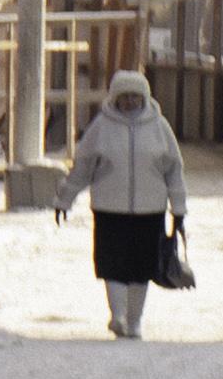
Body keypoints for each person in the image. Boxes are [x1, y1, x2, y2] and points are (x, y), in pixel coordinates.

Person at [58, 68, 190, 337]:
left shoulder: (159, 128)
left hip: (150, 210)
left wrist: (178, 210)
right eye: (124, 97)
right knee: (113, 264)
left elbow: (174, 171)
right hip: (109, 209)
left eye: (135, 97)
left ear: (144, 98)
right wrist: (65, 199)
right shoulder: (101, 127)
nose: (129, 102)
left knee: (142, 267)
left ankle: (135, 321)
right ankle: (117, 316)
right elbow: (82, 167)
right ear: (115, 99)